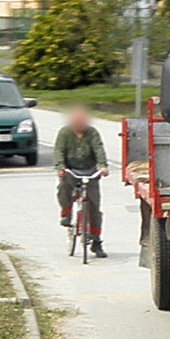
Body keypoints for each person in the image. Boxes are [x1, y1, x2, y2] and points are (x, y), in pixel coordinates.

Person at [55, 105, 109, 258]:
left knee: (94, 205)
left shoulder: (92, 133)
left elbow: (99, 149)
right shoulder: (64, 133)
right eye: (76, 121)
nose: (80, 124)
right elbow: (58, 151)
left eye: (82, 121)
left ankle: (96, 241)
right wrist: (61, 167)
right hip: (71, 170)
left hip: (89, 170)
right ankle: (66, 213)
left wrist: (102, 166)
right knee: (63, 186)